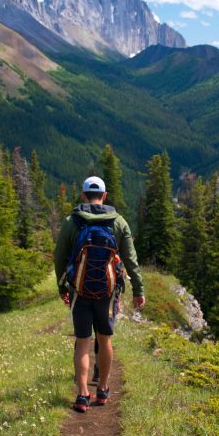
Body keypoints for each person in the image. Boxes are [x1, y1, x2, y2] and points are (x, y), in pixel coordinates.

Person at [54, 176, 145, 413]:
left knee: (83, 341)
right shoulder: (119, 222)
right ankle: (103, 389)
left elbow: (60, 258)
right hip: (107, 294)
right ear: (104, 196)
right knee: (105, 339)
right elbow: (131, 261)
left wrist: (62, 287)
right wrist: (138, 290)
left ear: (84, 196)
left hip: (80, 291)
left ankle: (83, 394)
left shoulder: (71, 222)